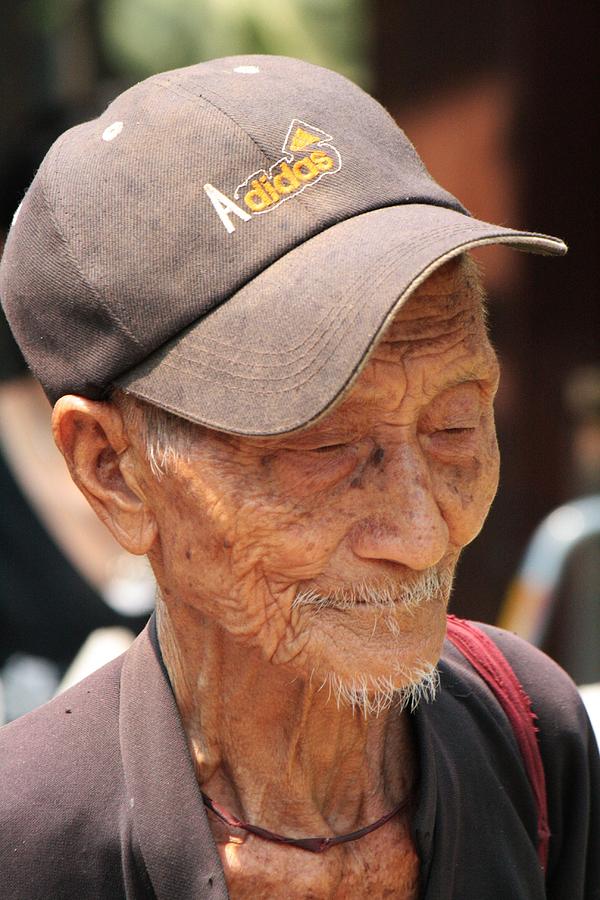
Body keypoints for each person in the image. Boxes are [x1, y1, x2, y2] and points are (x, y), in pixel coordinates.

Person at [0, 55, 597, 900]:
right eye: (325, 452)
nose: (423, 530)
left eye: (456, 425)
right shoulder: (27, 847)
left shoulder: (529, 732)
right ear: (115, 474)